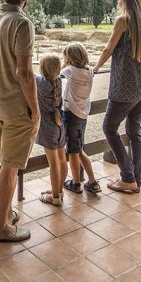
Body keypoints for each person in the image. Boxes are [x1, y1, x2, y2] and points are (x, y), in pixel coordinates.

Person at [0, 0, 39, 242]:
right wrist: (36, 109)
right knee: (9, 169)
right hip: (17, 109)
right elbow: (25, 73)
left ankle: (6, 216)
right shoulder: (22, 23)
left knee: (8, 166)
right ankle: (0, 228)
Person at [92, 0, 141, 193]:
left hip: (124, 88)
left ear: (126, 0)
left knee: (109, 128)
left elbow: (109, 48)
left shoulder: (123, 21)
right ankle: (136, 179)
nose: (117, 2)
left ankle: (127, 176)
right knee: (134, 131)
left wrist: (95, 68)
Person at [61, 42, 101, 194]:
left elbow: (55, 74)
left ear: (70, 59)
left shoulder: (70, 71)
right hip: (82, 115)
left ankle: (76, 183)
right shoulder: (90, 71)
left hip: (71, 114)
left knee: (73, 151)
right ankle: (91, 181)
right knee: (79, 149)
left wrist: (64, 64)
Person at [35, 54, 67, 206]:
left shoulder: (40, 82)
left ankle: (54, 198)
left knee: (53, 163)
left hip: (48, 127)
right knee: (62, 159)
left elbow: (24, 73)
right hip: (59, 124)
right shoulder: (58, 81)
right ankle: (58, 191)